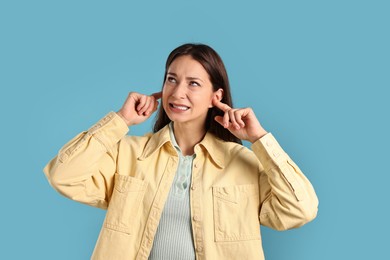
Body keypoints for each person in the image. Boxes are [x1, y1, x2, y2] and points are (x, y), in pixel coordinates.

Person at [44, 43, 318, 260]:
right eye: (172, 80)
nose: (178, 92)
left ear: (217, 97)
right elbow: (63, 175)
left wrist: (259, 139)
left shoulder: (241, 163)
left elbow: (300, 210)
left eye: (193, 83)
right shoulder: (128, 154)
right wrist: (120, 120)